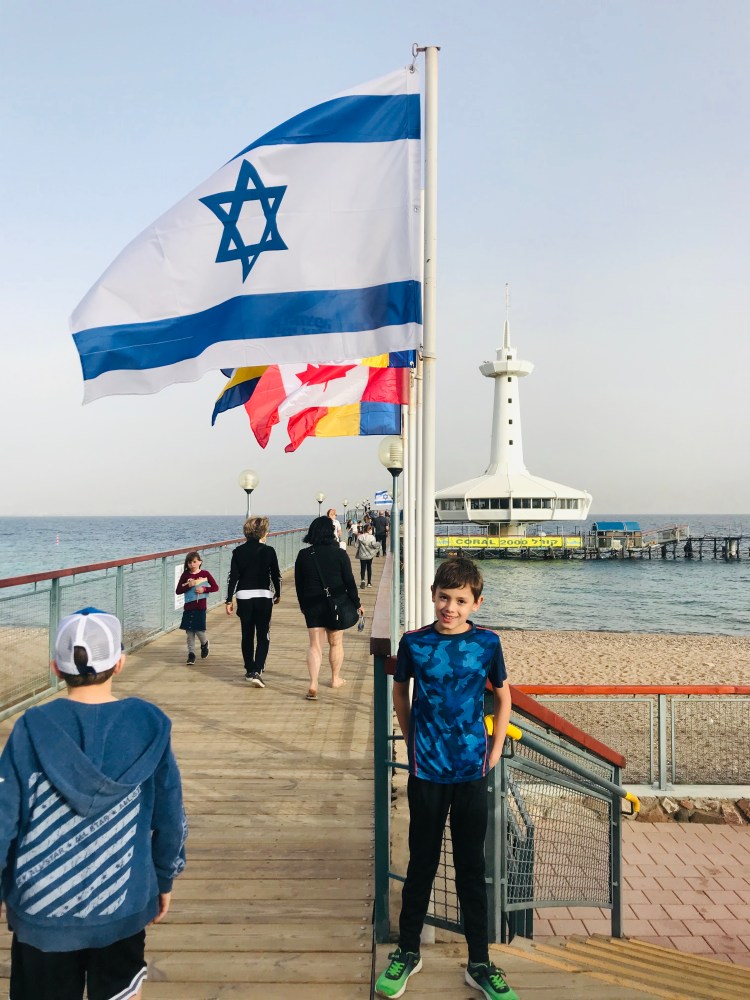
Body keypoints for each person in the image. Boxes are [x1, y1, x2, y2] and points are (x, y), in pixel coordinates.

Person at [0, 607, 187, 1000]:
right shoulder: (149, 725)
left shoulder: (30, 729)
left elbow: (3, 820)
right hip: (122, 904)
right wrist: (164, 878)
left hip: (42, 910)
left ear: (56, 668)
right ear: (119, 663)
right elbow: (170, 817)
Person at [374, 558, 518, 1000]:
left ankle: (480, 962)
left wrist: (495, 749)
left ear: (476, 602)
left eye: (459, 600)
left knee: (471, 867)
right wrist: (411, 738)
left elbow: (503, 696)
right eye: (443, 598)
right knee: (422, 863)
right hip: (427, 770)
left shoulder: (487, 643)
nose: (449, 607)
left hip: (471, 770)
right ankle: (407, 952)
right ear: (433, 595)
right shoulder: (415, 642)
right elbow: (400, 690)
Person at [294, 516, 362, 701]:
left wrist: (303, 605)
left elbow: (299, 584)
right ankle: (335, 679)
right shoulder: (340, 554)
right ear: (331, 532)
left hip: (312, 604)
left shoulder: (303, 555)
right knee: (335, 642)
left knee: (315, 646)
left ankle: (313, 683)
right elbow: (349, 582)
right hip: (336, 604)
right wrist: (357, 603)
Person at [225, 516, 281, 688]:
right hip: (263, 596)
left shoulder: (238, 551)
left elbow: (233, 577)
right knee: (263, 634)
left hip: (243, 596)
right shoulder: (269, 551)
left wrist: (229, 599)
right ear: (263, 532)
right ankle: (257, 669)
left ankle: (249, 669)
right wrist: (278, 594)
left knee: (247, 634)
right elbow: (276, 575)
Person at [175, 551, 219, 664]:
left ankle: (204, 643)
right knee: (189, 632)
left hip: (200, 607)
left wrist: (204, 589)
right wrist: (188, 586)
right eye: (189, 562)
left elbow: (215, 587)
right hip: (188, 607)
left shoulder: (205, 574)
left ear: (200, 562)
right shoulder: (185, 575)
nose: (192, 564)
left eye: (194, 562)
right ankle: (191, 654)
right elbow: (178, 591)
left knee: (199, 630)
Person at [355, 522, 380, 587]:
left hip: (362, 554)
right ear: (369, 530)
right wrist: (378, 544)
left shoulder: (360, 537)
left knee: (362, 568)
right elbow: (374, 546)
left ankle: (362, 580)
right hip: (370, 555)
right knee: (369, 567)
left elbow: (356, 545)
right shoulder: (372, 537)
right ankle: (369, 583)